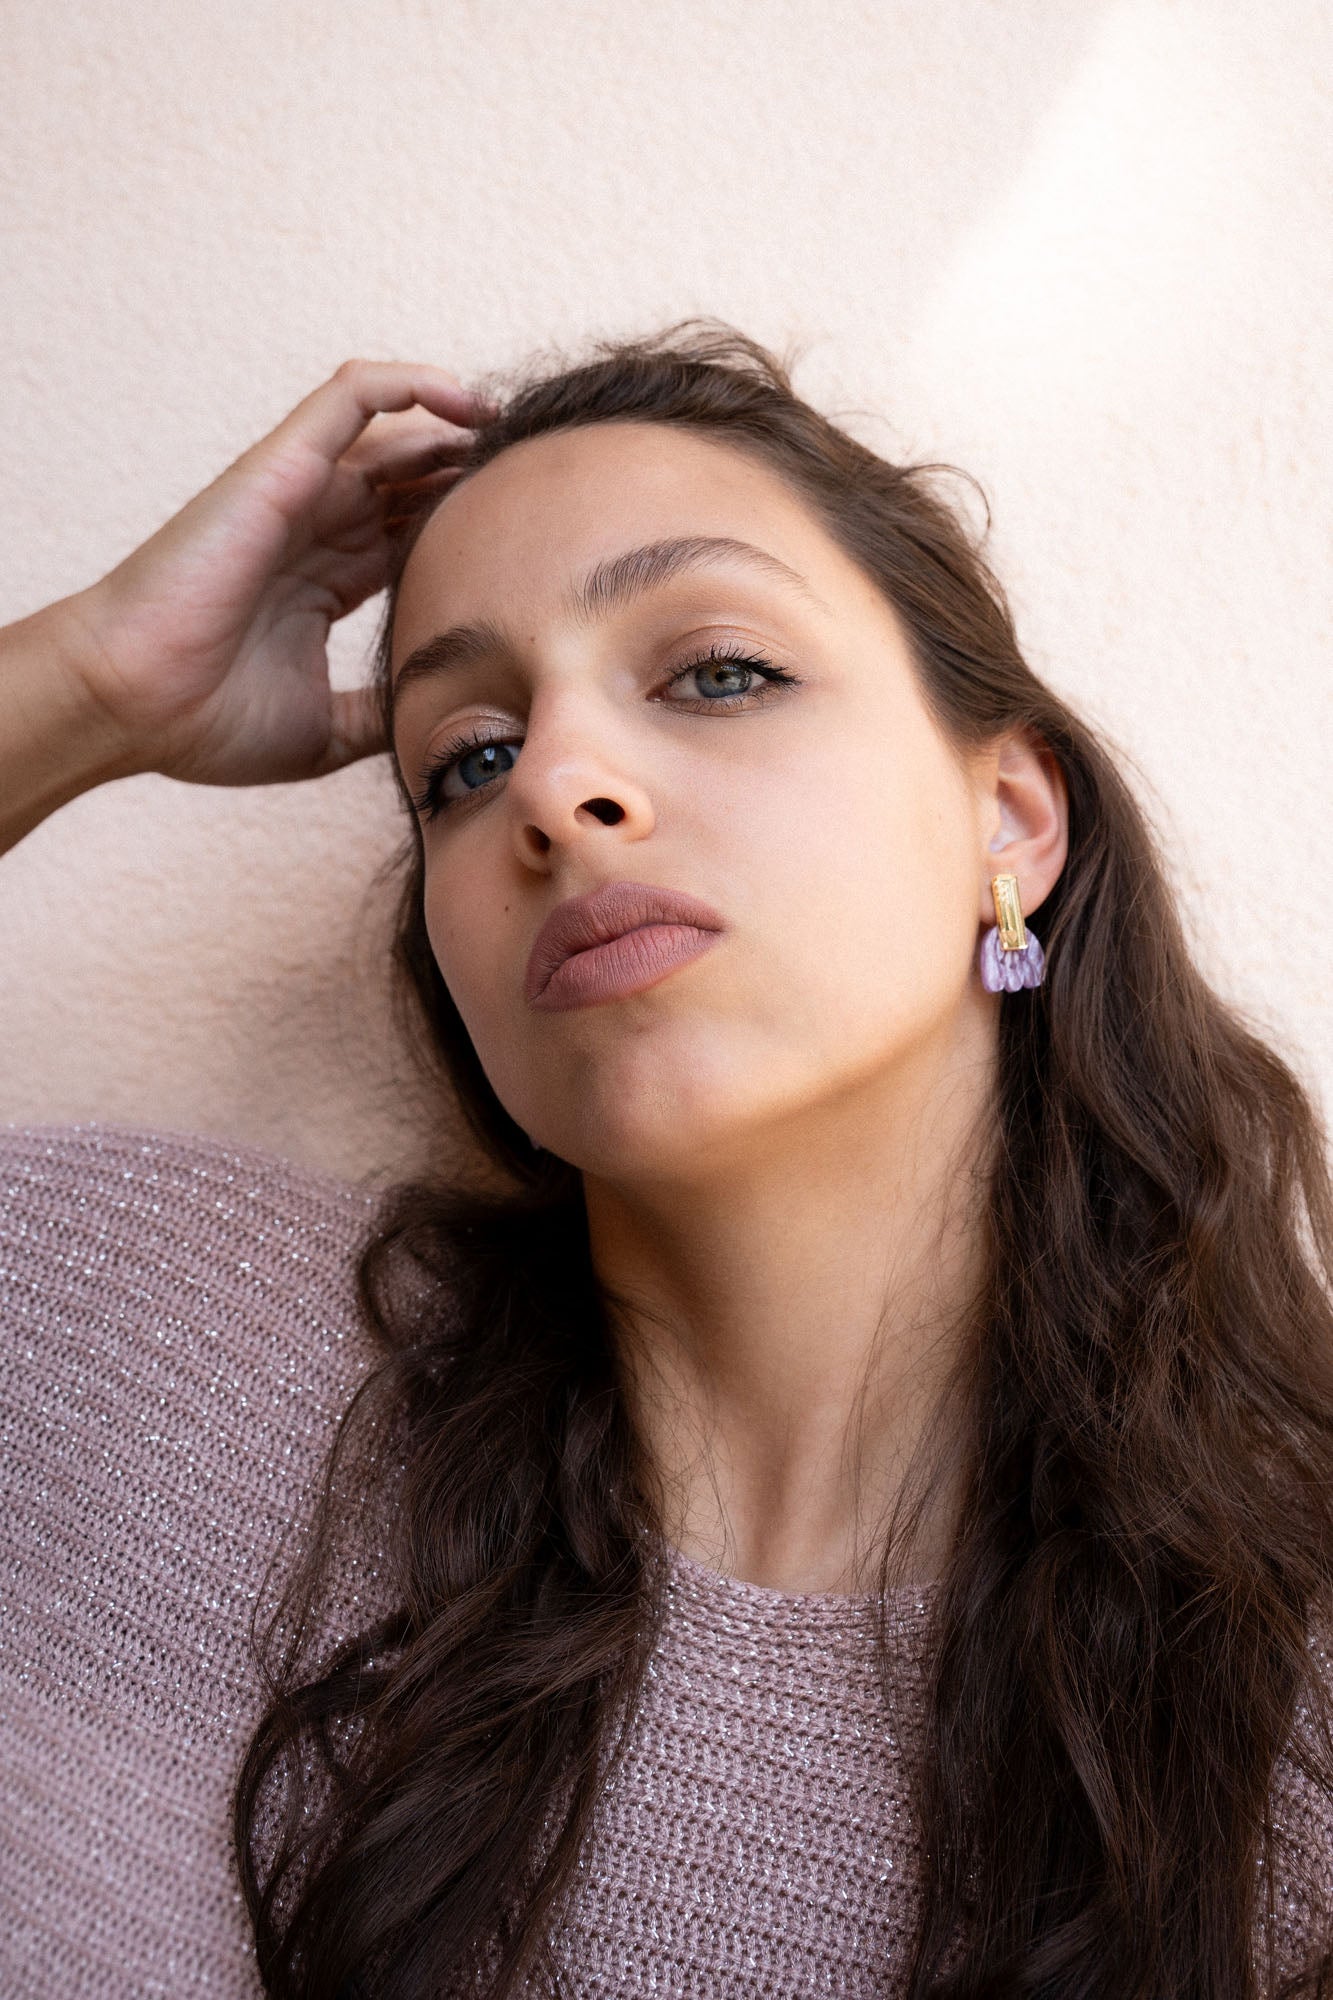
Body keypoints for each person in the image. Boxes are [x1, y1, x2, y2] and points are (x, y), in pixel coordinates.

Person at [2, 323, 1332, 2000]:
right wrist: (90, 685)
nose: (554, 787)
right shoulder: (127, 1342)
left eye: (715, 672)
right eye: (463, 763)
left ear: (1006, 817)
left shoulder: (1293, 1707)